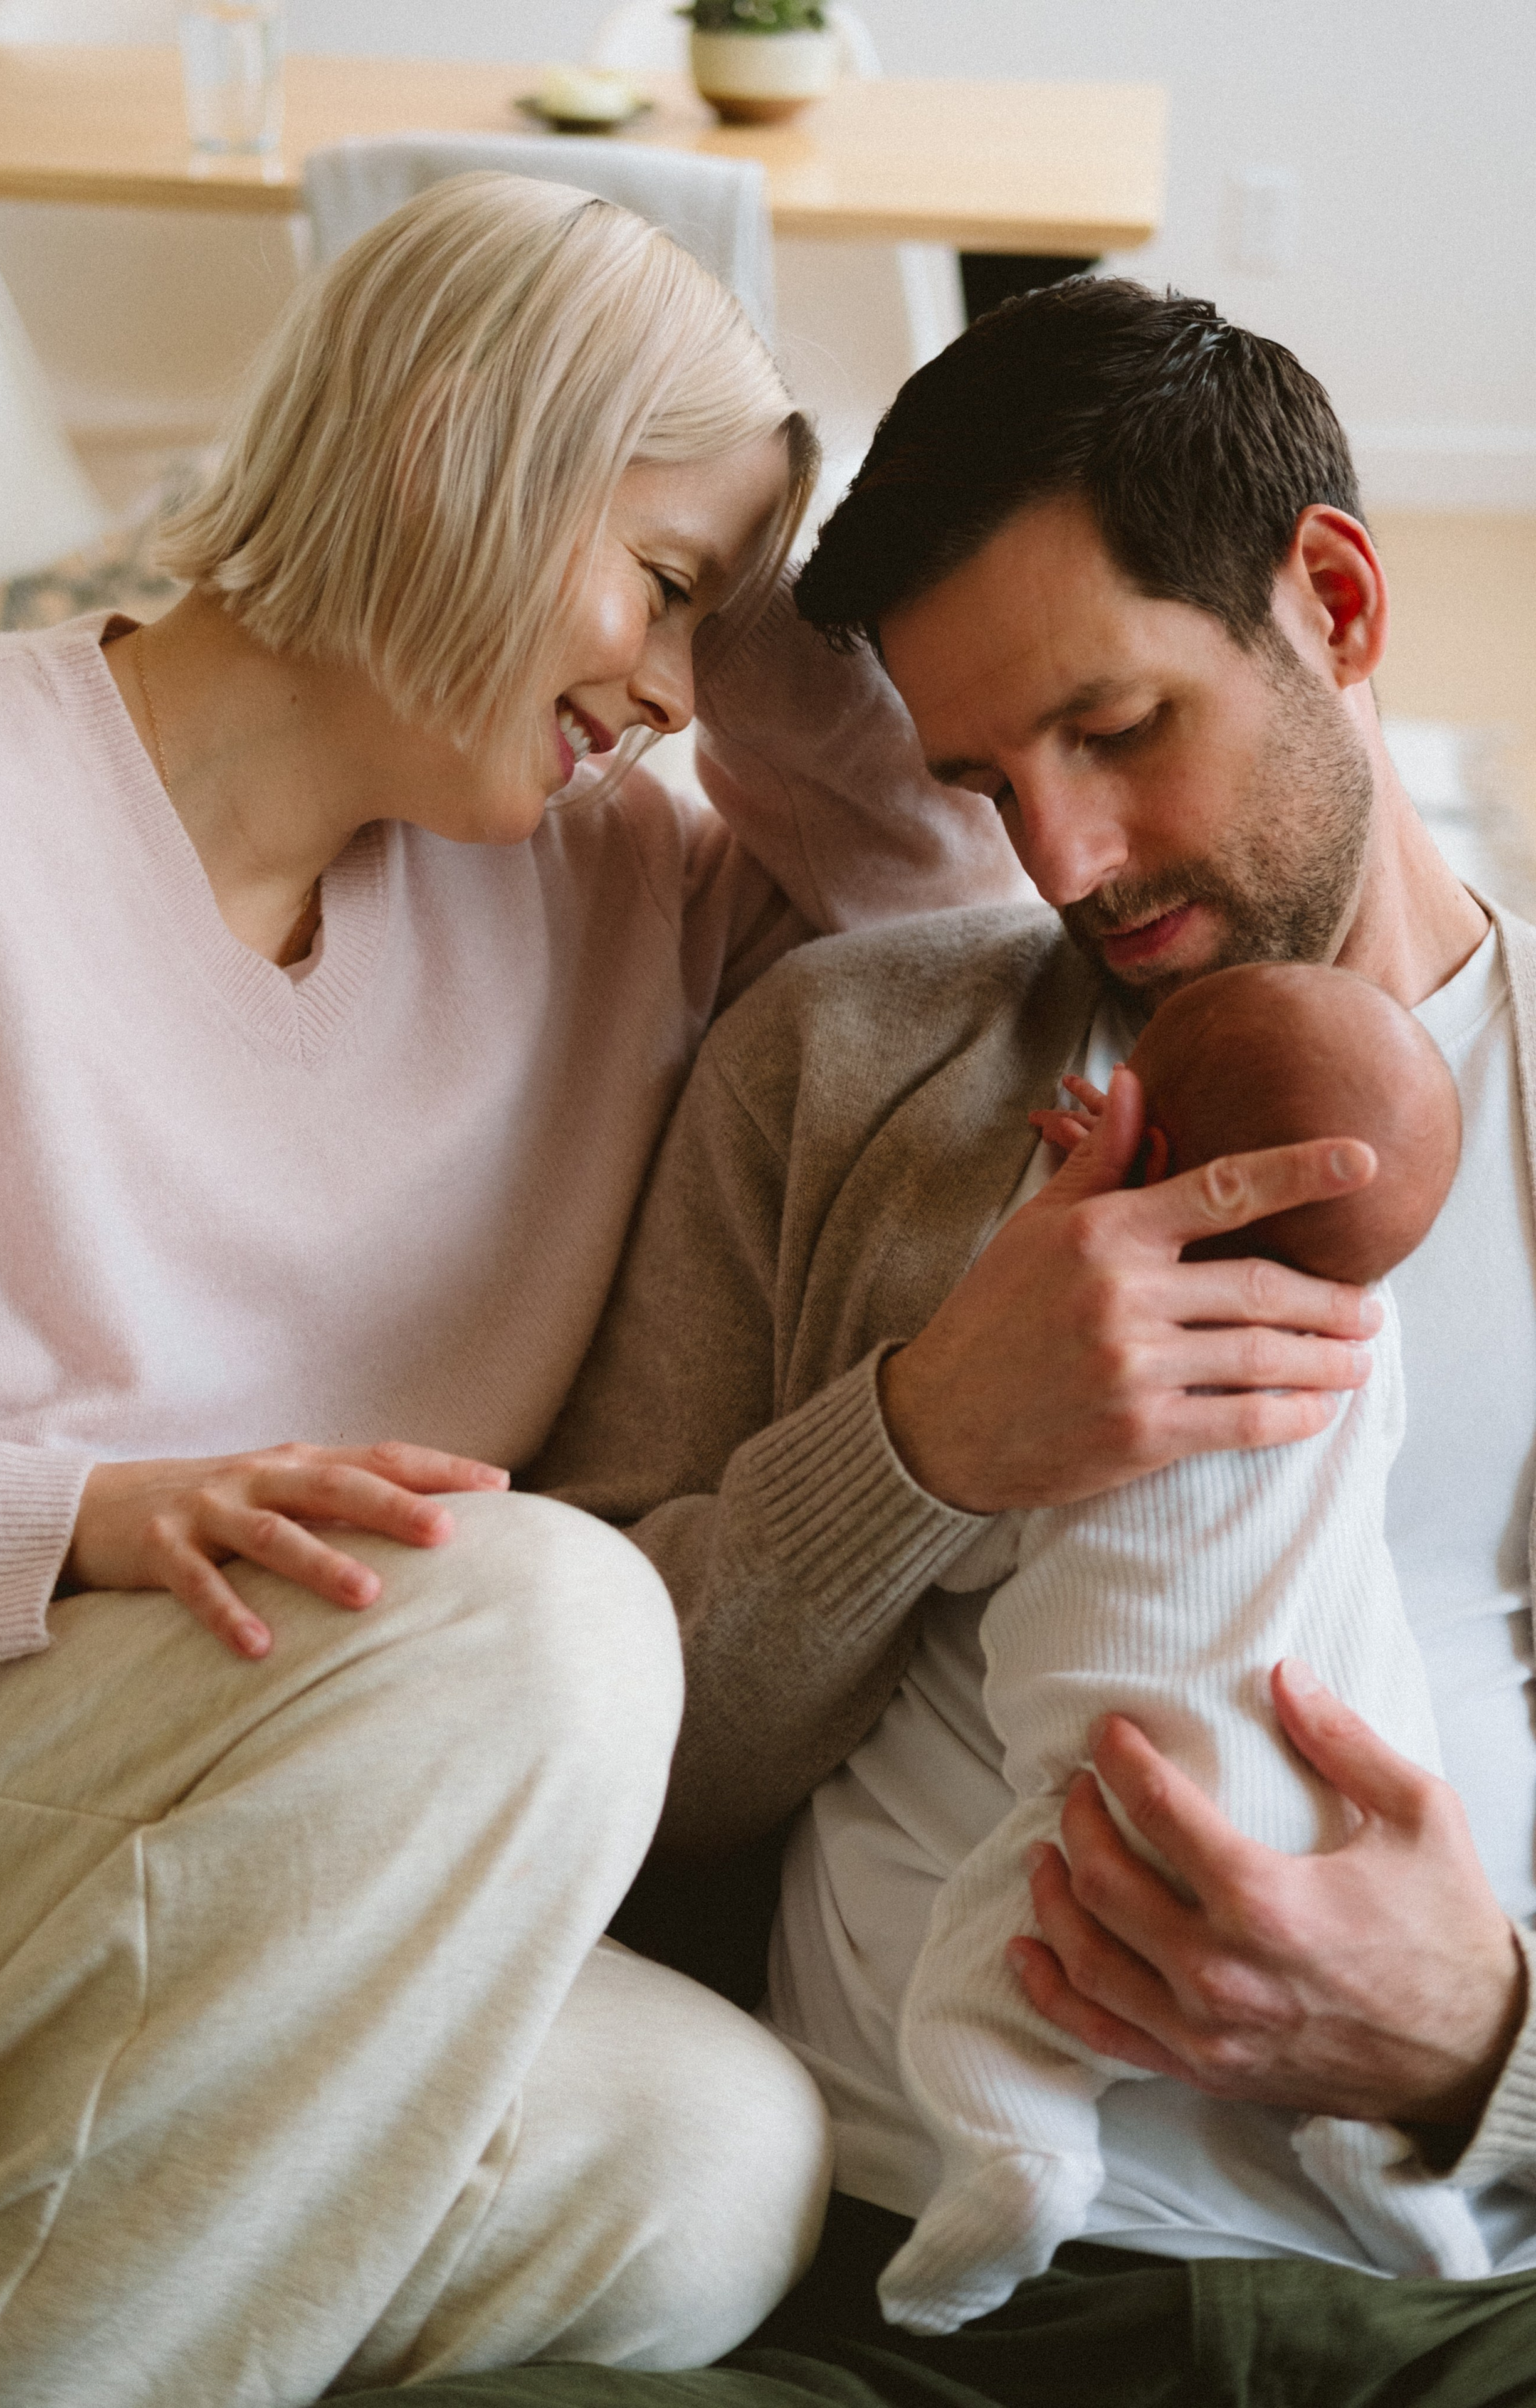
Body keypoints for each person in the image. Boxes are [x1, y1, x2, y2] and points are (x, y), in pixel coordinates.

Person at [0, 172, 1032, 2407]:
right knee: (550, 1621)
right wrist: (77, 1516)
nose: (657, 685)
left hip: (297, 1834)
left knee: (713, 2165)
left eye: (708, 625)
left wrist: (772, 613)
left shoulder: (608, 872)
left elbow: (970, 924)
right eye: (655, 586)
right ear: (459, 449)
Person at [510, 278, 1536, 2407]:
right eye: (983, 778)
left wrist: (1482, 2045)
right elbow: (589, 1760)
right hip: (893, 2290)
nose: (1063, 857)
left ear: (1334, 603)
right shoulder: (838, 1063)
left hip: (1459, 2302)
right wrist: (919, 1446)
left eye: (1121, 727)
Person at [883, 964, 1483, 2338]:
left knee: (974, 2001)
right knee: (1338, 2095)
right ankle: (1429, 2239)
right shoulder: (1362, 1348)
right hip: (1351, 1813)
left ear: (1133, 1146)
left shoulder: (1079, 1371)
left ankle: (1017, 2164)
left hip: (1126, 1799)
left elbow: (967, 1539)